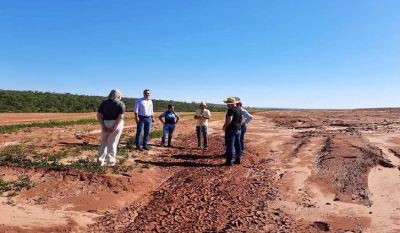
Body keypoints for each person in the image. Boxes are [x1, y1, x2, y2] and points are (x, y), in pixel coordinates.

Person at [97, 89, 125, 167]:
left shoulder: (104, 103)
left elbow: (99, 116)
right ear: (119, 96)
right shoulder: (120, 103)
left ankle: (100, 162)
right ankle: (110, 163)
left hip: (105, 122)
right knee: (112, 144)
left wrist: (103, 126)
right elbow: (120, 117)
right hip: (116, 123)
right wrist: (114, 127)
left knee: (103, 143)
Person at [222, 97, 243, 166]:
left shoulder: (230, 110)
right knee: (238, 145)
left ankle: (229, 161)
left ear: (229, 104)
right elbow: (241, 118)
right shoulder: (239, 109)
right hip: (238, 129)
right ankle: (238, 159)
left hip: (231, 130)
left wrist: (224, 126)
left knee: (230, 145)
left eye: (227, 103)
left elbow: (229, 120)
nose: (227, 105)